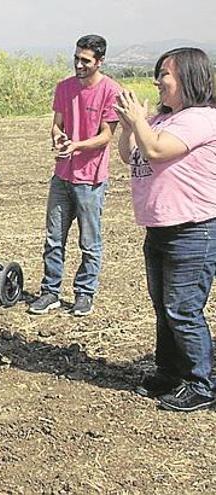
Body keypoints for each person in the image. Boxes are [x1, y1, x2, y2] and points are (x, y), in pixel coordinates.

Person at [115, 47, 216, 412]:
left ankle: (201, 383)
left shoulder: (200, 119)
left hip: (193, 229)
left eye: (165, 75)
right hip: (160, 228)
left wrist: (139, 122)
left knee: (183, 309)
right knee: (164, 307)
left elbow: (156, 151)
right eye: (157, 74)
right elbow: (131, 155)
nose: (158, 82)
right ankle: (169, 372)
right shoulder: (162, 119)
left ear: (189, 78)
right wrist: (130, 126)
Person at [28, 35, 121, 317]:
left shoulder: (110, 91)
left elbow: (107, 135)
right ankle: (50, 292)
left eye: (86, 61)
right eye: (76, 58)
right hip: (62, 175)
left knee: (89, 241)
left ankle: (84, 294)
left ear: (99, 61)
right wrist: (58, 138)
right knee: (54, 238)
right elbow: (56, 125)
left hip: (90, 179)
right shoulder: (64, 88)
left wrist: (78, 145)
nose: (79, 65)